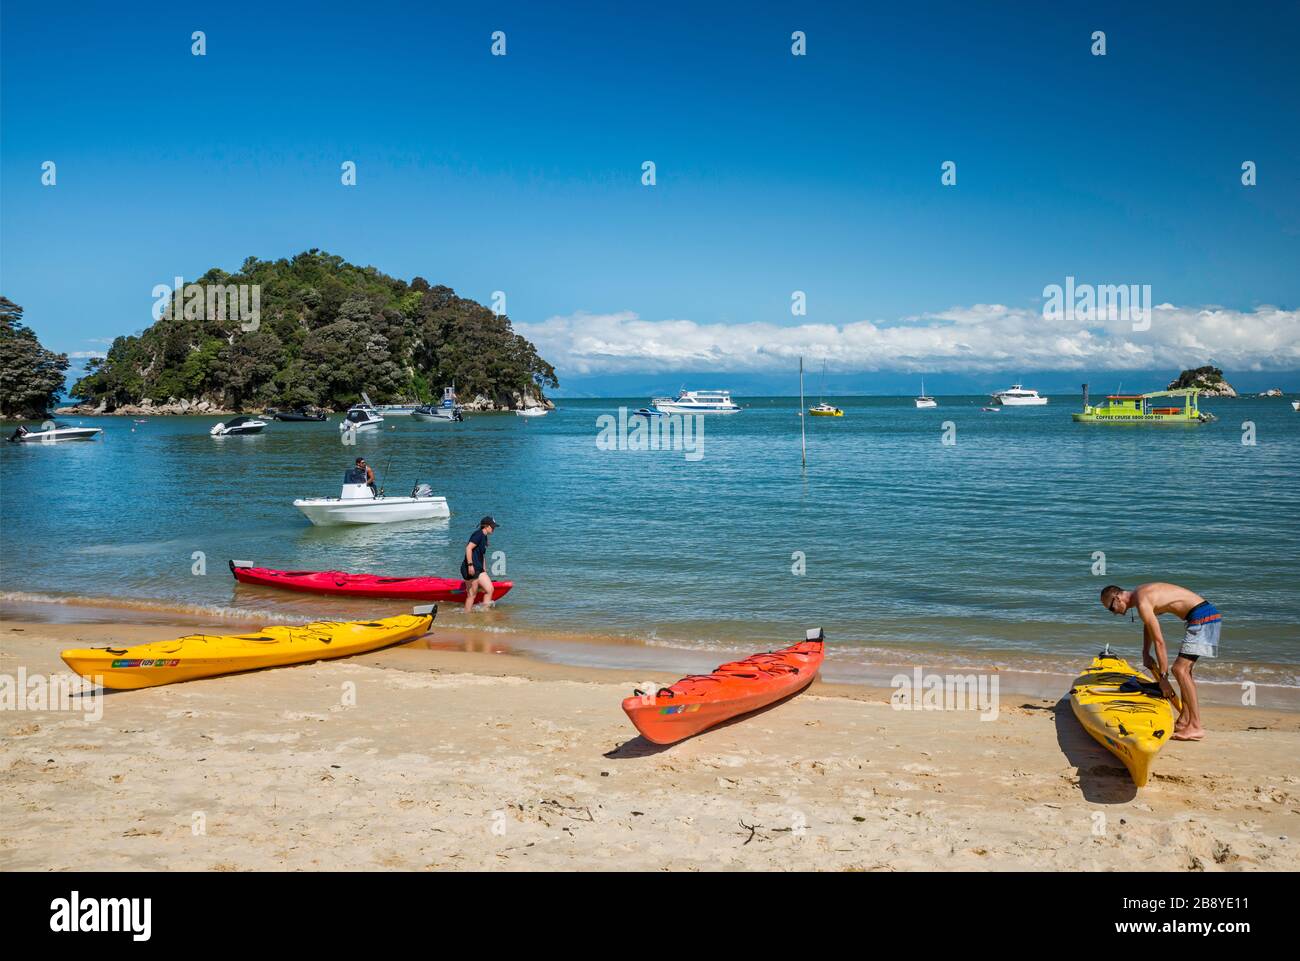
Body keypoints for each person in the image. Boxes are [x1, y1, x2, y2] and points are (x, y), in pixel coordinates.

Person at [1099, 582, 1220, 741]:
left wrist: (1163, 678)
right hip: (1203, 617)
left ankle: (1196, 726)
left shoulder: (1142, 601)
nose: (1113, 613)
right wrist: (1145, 652)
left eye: (1111, 608)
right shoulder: (1141, 595)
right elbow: (1149, 625)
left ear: (1118, 598)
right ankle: (1185, 721)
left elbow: (1160, 642)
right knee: (1185, 671)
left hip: (1203, 618)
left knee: (1179, 670)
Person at [461, 516, 498, 611]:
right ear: (486, 526)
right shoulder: (478, 535)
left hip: (479, 568)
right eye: (492, 526)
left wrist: (484, 569)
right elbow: (468, 548)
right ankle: (466, 616)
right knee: (471, 595)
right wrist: (470, 565)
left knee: (490, 589)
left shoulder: (484, 537)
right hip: (470, 568)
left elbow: (482, 554)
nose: (494, 528)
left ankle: (484, 611)